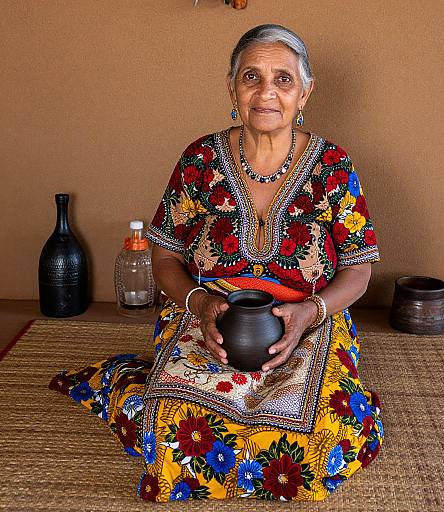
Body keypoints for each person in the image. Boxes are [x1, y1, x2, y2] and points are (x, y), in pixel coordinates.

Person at [50, 24, 383, 502]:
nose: (266, 92)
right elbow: (164, 256)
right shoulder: (199, 159)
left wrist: (311, 312)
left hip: (311, 318)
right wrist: (200, 304)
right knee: (172, 433)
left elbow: (358, 269)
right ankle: (137, 387)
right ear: (232, 88)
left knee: (323, 432)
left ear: (305, 91)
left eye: (283, 80)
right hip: (209, 317)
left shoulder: (333, 164)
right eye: (251, 77)